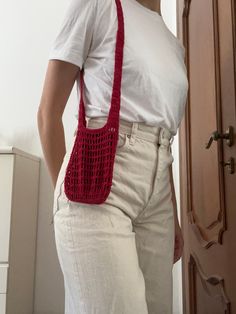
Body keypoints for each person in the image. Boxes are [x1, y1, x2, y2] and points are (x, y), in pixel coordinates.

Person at [37, 0, 188, 313]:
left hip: (158, 194)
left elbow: (162, 135)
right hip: (98, 183)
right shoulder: (97, 5)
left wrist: (172, 213)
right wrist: (67, 199)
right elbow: (47, 113)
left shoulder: (172, 41)